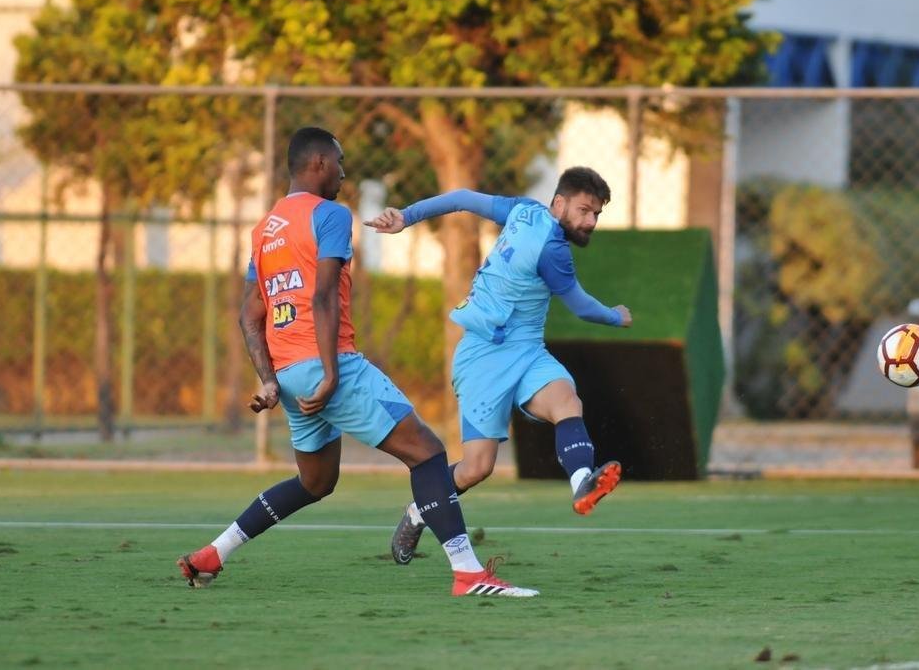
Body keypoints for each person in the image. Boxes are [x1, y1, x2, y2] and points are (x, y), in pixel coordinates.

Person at [177, 126, 536, 598]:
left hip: (288, 373)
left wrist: (268, 380)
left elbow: (249, 316)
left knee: (315, 481)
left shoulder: (264, 230)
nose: (344, 174)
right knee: (427, 453)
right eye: (340, 163)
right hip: (330, 365)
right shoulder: (329, 215)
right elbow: (324, 296)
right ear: (320, 163)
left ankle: (213, 554)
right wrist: (330, 373)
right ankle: (469, 574)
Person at [365, 167, 632, 566]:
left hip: (526, 351)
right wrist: (615, 316)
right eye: (584, 211)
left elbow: (460, 196)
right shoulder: (552, 249)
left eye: (596, 214)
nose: (590, 222)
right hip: (482, 357)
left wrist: (406, 216)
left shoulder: (524, 210)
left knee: (566, 401)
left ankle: (582, 484)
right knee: (476, 469)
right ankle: (417, 512)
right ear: (558, 203)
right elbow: (579, 306)